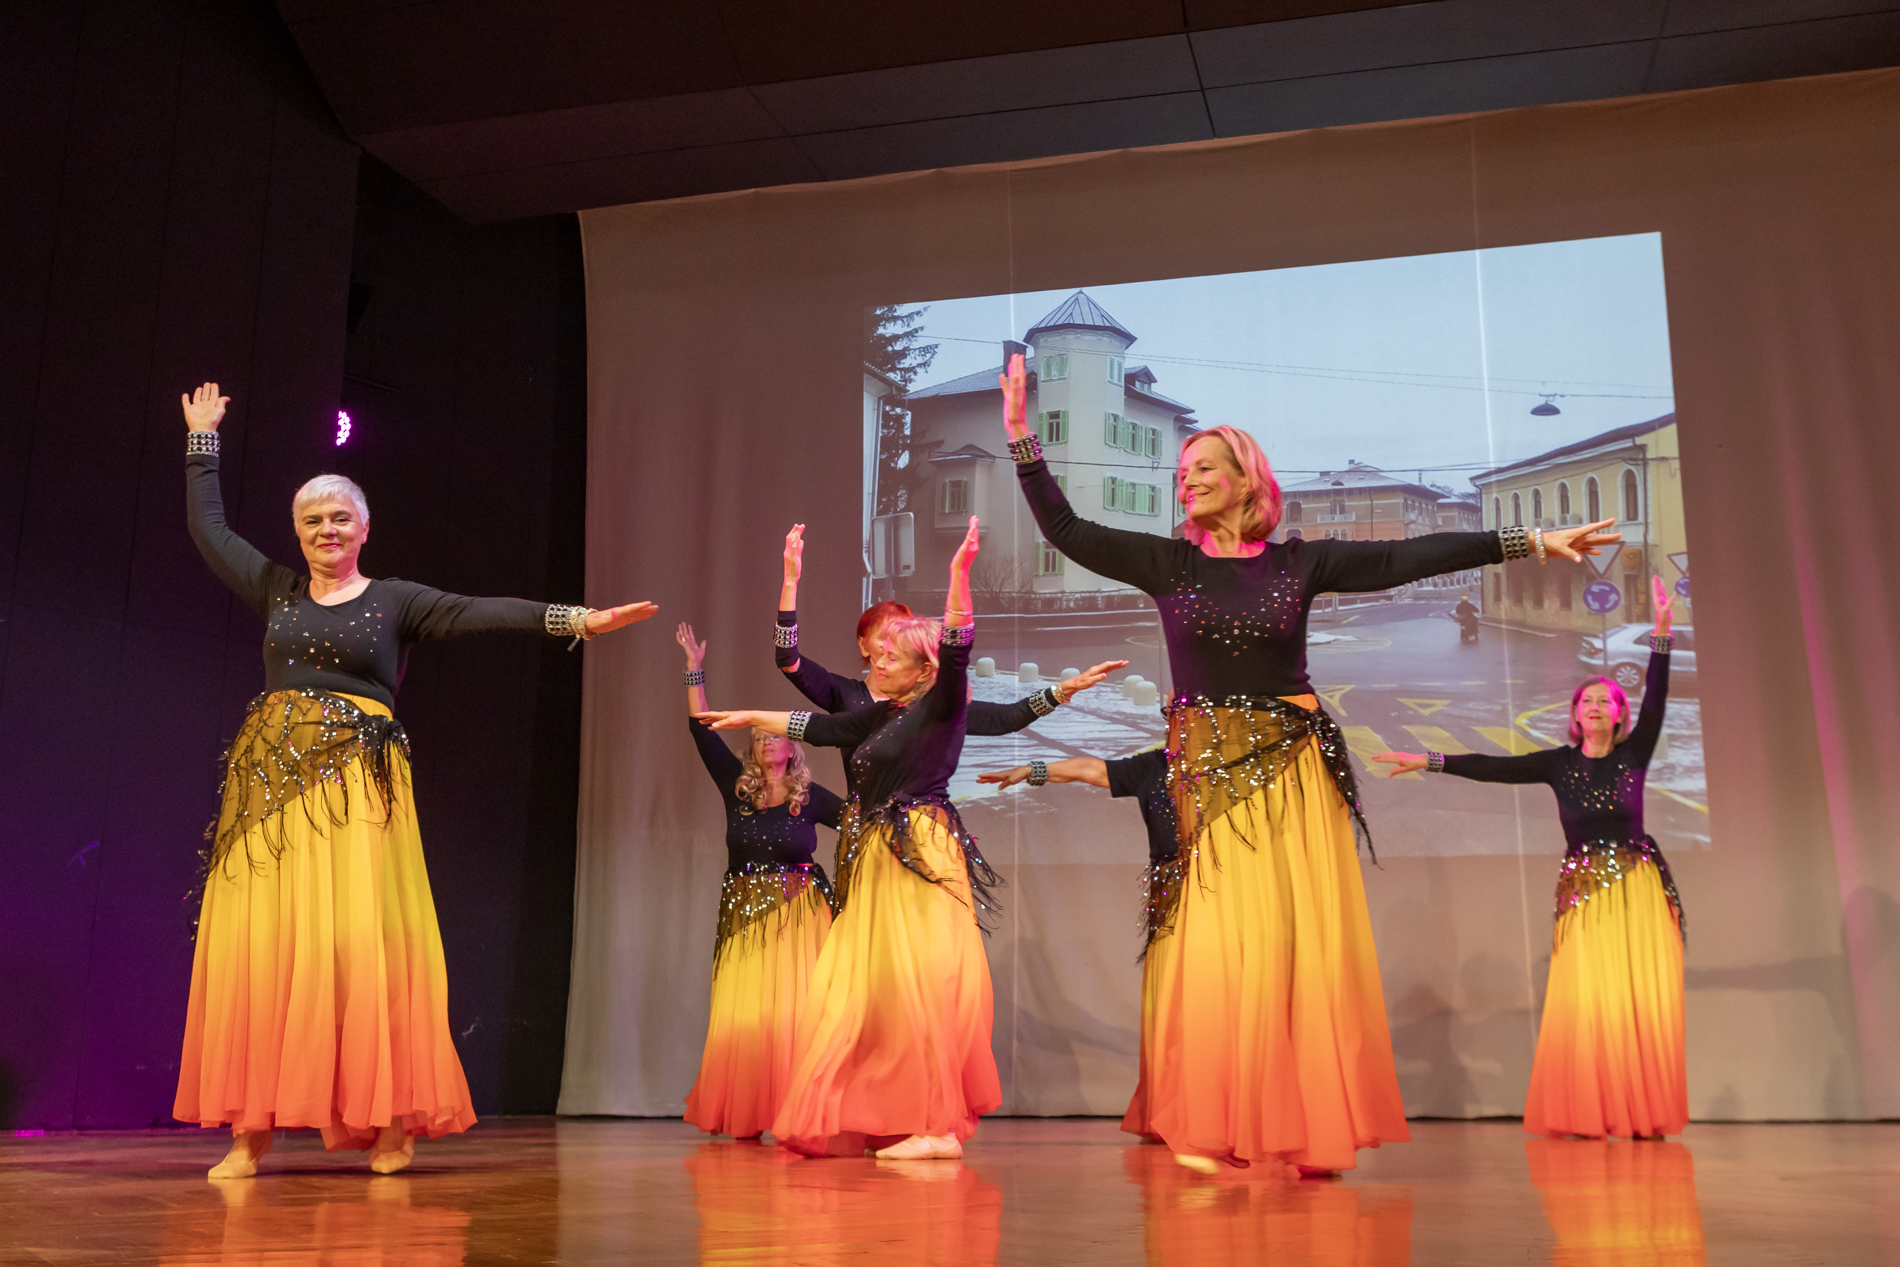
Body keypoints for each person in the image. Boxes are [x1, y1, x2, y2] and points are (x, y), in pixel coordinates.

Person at [998, 352, 1622, 1176]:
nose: (1187, 480)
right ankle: (1217, 1115)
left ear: (1246, 480)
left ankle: (1300, 1121)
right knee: (1221, 946)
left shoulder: (1298, 563)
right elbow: (1068, 531)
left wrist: (1533, 540)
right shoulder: (1168, 564)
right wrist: (1021, 437)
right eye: (1182, 471)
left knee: (1294, 946)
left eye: (1204, 468)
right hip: (1209, 782)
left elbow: (1409, 556)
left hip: (1291, 778)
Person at [173, 383, 656, 1178]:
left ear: (364, 528)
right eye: (311, 521)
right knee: (267, 944)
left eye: (339, 518)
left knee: (364, 944)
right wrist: (202, 442)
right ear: (297, 533)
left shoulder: (395, 601)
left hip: (358, 791)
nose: (326, 530)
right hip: (272, 793)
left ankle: (391, 1122)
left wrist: (577, 619)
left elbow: (479, 611)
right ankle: (249, 1131)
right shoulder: (276, 589)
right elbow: (209, 529)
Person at [698, 517, 996, 1161]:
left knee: (915, 982)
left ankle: (937, 1125)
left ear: (923, 670)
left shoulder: (943, 706)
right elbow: (817, 726)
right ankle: (896, 1114)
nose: (877, 660)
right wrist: (749, 714)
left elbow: (959, 646)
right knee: (867, 988)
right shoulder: (877, 712)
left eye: (891, 655)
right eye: (876, 651)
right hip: (877, 855)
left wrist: (958, 575)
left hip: (920, 851)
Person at [1373, 576, 1687, 1140]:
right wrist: (1428, 760)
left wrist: (1662, 634)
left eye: (1607, 700)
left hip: (1638, 890)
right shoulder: (1557, 764)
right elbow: (1492, 767)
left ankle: (1641, 1111)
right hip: (1585, 895)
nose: (1596, 706)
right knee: (1588, 1000)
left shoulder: (1635, 754)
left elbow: (1658, 697)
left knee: (1637, 997)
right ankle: (1592, 1108)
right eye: (1587, 700)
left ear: (1620, 715)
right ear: (1575, 714)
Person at [772, 523, 1125, 789]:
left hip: (924, 834)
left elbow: (1007, 718)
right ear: (864, 645)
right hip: (864, 837)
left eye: (903, 637)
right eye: (885, 638)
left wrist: (1063, 690)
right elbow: (788, 660)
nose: (894, 645)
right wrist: (790, 583)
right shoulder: (845, 695)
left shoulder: (935, 705)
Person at [676, 624, 846, 1141]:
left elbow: (857, 823)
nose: (769, 740)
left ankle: (803, 1113)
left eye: (777, 734)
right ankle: (749, 1110)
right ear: (752, 748)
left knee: (797, 1014)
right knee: (748, 1014)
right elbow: (701, 730)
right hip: (746, 919)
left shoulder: (810, 796)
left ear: (793, 747)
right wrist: (694, 671)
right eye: (760, 736)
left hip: (801, 920)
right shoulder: (738, 788)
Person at [977, 747, 1178, 1141]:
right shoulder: (1157, 765)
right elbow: (1089, 769)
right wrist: (1031, 769)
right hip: (1174, 894)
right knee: (1172, 1001)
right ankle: (1176, 1107)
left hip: (1223, 890)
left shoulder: (1232, 763)